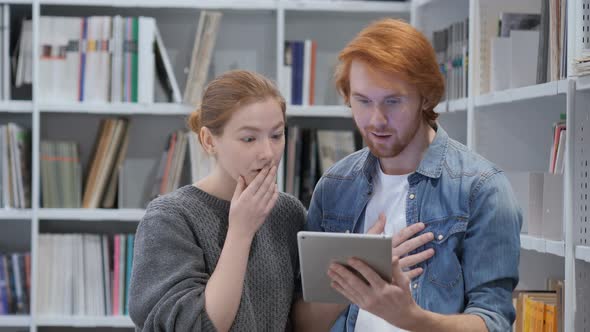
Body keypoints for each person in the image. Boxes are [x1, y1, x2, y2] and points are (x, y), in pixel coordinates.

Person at [293, 18, 522, 332]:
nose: (376, 120)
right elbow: (303, 324)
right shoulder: (334, 186)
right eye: (362, 101)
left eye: (393, 101)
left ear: (425, 97)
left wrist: (409, 318)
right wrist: (358, 279)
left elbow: (494, 323)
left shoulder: (482, 188)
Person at [128, 70, 306, 331]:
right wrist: (240, 232)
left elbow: (304, 323)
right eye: (249, 138)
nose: (268, 153)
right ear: (209, 140)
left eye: (276, 135)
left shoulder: (289, 213)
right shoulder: (170, 218)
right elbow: (193, 326)